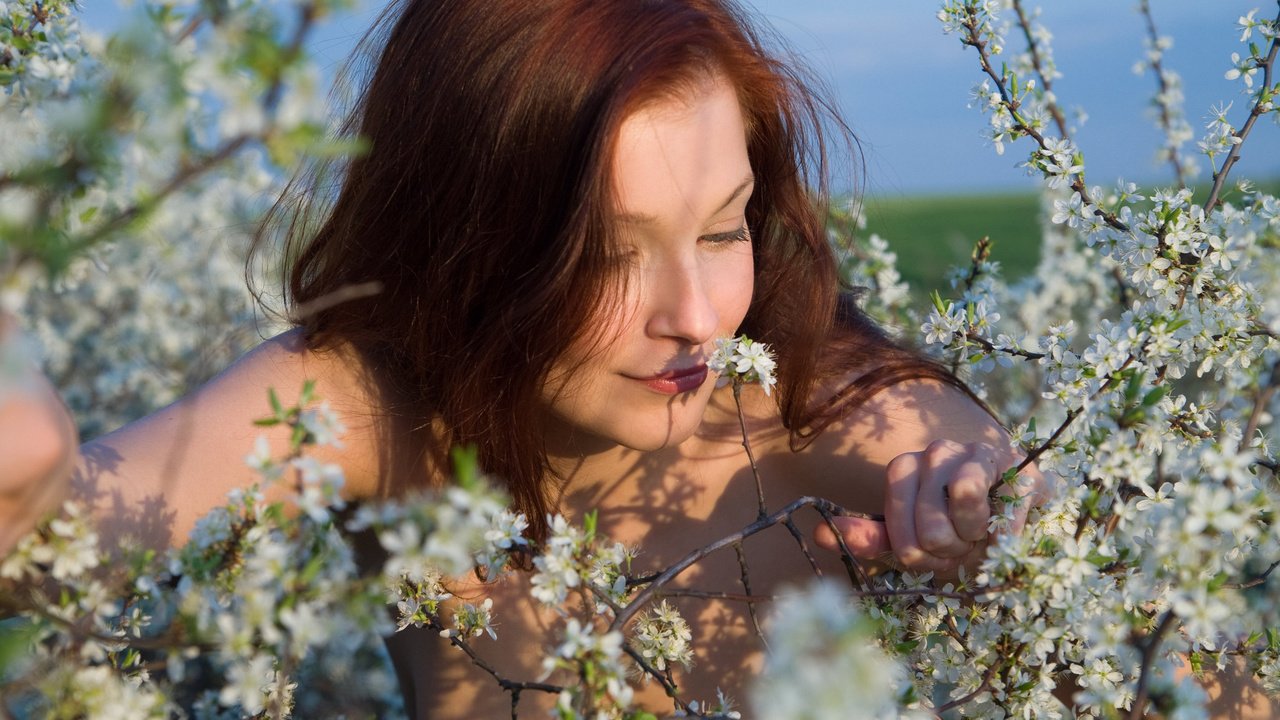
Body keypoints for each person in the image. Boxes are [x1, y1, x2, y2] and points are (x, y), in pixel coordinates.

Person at [1, 0, 1054, 716]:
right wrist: (33, 471)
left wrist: (982, 502)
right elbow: (75, 533)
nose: (695, 315)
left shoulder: (807, 388)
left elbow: (969, 468)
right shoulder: (377, 401)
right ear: (465, 243)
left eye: (723, 229)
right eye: (606, 254)